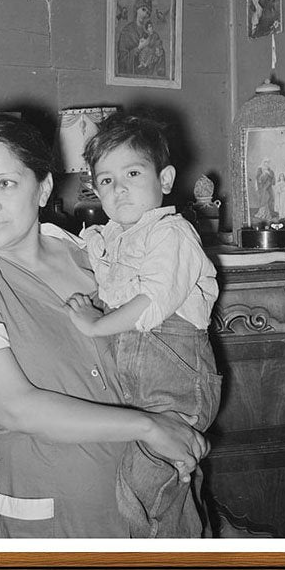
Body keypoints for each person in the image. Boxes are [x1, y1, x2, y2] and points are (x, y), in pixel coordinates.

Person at [0, 114, 208, 539]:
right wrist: (150, 427)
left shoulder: (97, 256)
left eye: (5, 183)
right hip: (61, 516)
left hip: (160, 502)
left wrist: (182, 428)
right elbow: (15, 406)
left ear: (44, 188)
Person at [64, 114, 221, 538]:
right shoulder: (114, 235)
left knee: (141, 492)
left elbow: (152, 302)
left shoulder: (172, 234)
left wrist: (95, 326)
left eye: (133, 173)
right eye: (107, 180)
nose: (120, 188)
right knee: (169, 492)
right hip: (140, 390)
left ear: (165, 179)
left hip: (176, 383)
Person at [116, 0, 152, 76]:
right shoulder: (127, 31)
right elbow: (122, 58)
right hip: (132, 73)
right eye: (143, 9)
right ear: (136, 9)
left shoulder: (147, 32)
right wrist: (139, 48)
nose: (145, 14)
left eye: (148, 12)